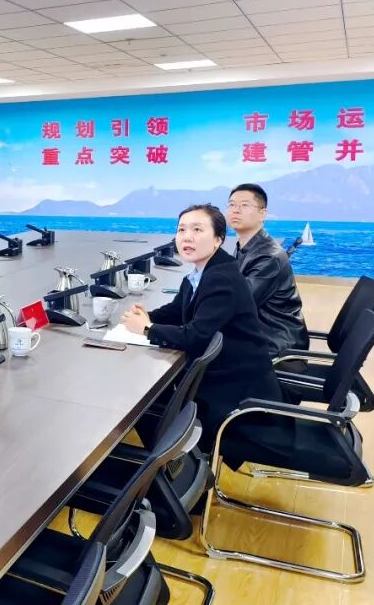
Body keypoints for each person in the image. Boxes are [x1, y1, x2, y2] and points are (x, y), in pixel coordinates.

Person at [120, 204, 285, 450]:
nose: (187, 237)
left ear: (218, 239)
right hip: (223, 380)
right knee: (149, 394)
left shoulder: (221, 279)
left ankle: (166, 459)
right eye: (182, 230)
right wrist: (146, 317)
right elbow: (177, 311)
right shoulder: (202, 273)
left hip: (235, 398)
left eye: (197, 230)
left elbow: (195, 336)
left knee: (143, 399)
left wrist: (147, 329)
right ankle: (164, 457)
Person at [227, 183, 309, 358]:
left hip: (276, 347)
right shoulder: (246, 246)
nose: (235, 210)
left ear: (262, 213)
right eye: (232, 205)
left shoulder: (269, 257)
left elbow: (237, 305)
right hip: (258, 335)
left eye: (244, 205)